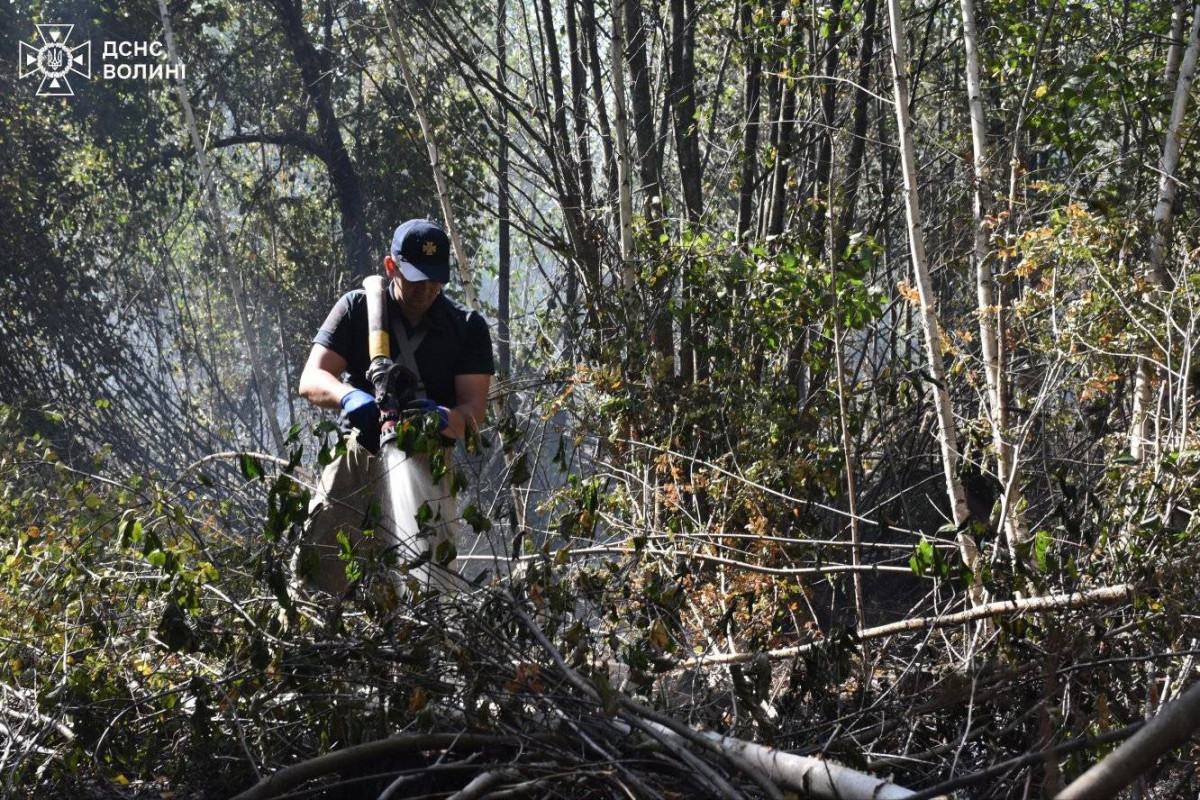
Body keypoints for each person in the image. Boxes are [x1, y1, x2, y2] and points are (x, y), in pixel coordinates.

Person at [295, 219, 494, 596]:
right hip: (359, 462)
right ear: (392, 267)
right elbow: (312, 378)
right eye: (417, 280)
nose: (429, 290)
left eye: (437, 280)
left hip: (429, 469)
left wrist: (443, 418)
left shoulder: (466, 328)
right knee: (317, 582)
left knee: (429, 597)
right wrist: (349, 398)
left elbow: (473, 412)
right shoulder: (358, 308)